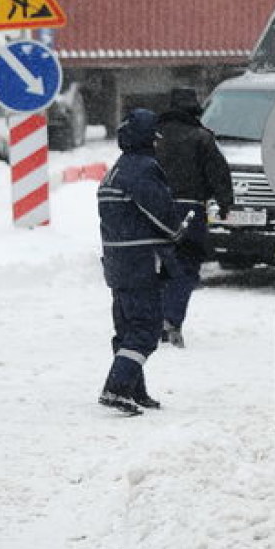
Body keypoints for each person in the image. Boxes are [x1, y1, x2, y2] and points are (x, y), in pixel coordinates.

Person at [96, 109, 188, 415]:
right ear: (149, 138)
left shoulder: (117, 169)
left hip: (116, 262)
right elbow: (160, 214)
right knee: (146, 327)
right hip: (140, 262)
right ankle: (117, 389)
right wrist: (177, 230)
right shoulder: (143, 169)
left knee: (127, 327)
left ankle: (135, 391)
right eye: (156, 136)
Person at [155, 86, 233, 348]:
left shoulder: (154, 137)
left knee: (160, 267)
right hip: (190, 210)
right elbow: (219, 174)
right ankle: (172, 321)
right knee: (186, 267)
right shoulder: (202, 138)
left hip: (155, 211)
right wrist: (225, 203)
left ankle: (154, 321)